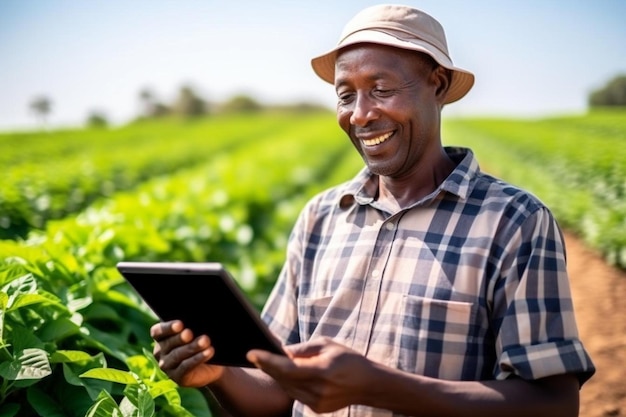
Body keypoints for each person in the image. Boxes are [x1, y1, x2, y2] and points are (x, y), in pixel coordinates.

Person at [150, 4, 595, 416]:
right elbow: (276, 388)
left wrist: (378, 386)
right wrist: (217, 376)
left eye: (381, 89)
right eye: (346, 96)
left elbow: (552, 404)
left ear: (436, 86)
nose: (360, 115)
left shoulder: (512, 221)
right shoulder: (321, 219)